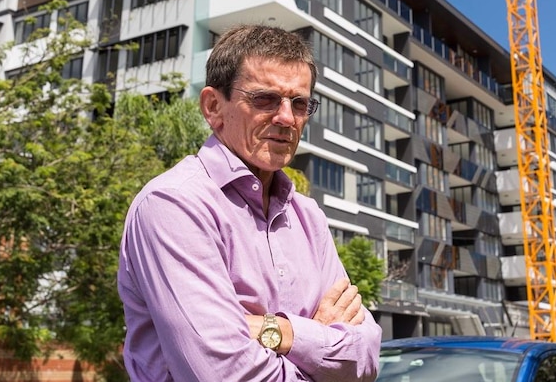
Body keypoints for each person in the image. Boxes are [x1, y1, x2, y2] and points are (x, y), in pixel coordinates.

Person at [117, 24, 382, 382]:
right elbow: (222, 375)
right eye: (265, 99)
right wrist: (319, 341)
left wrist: (274, 331)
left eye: (300, 103)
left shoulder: (308, 217)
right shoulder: (174, 204)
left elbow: (365, 357)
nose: (287, 118)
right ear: (213, 106)